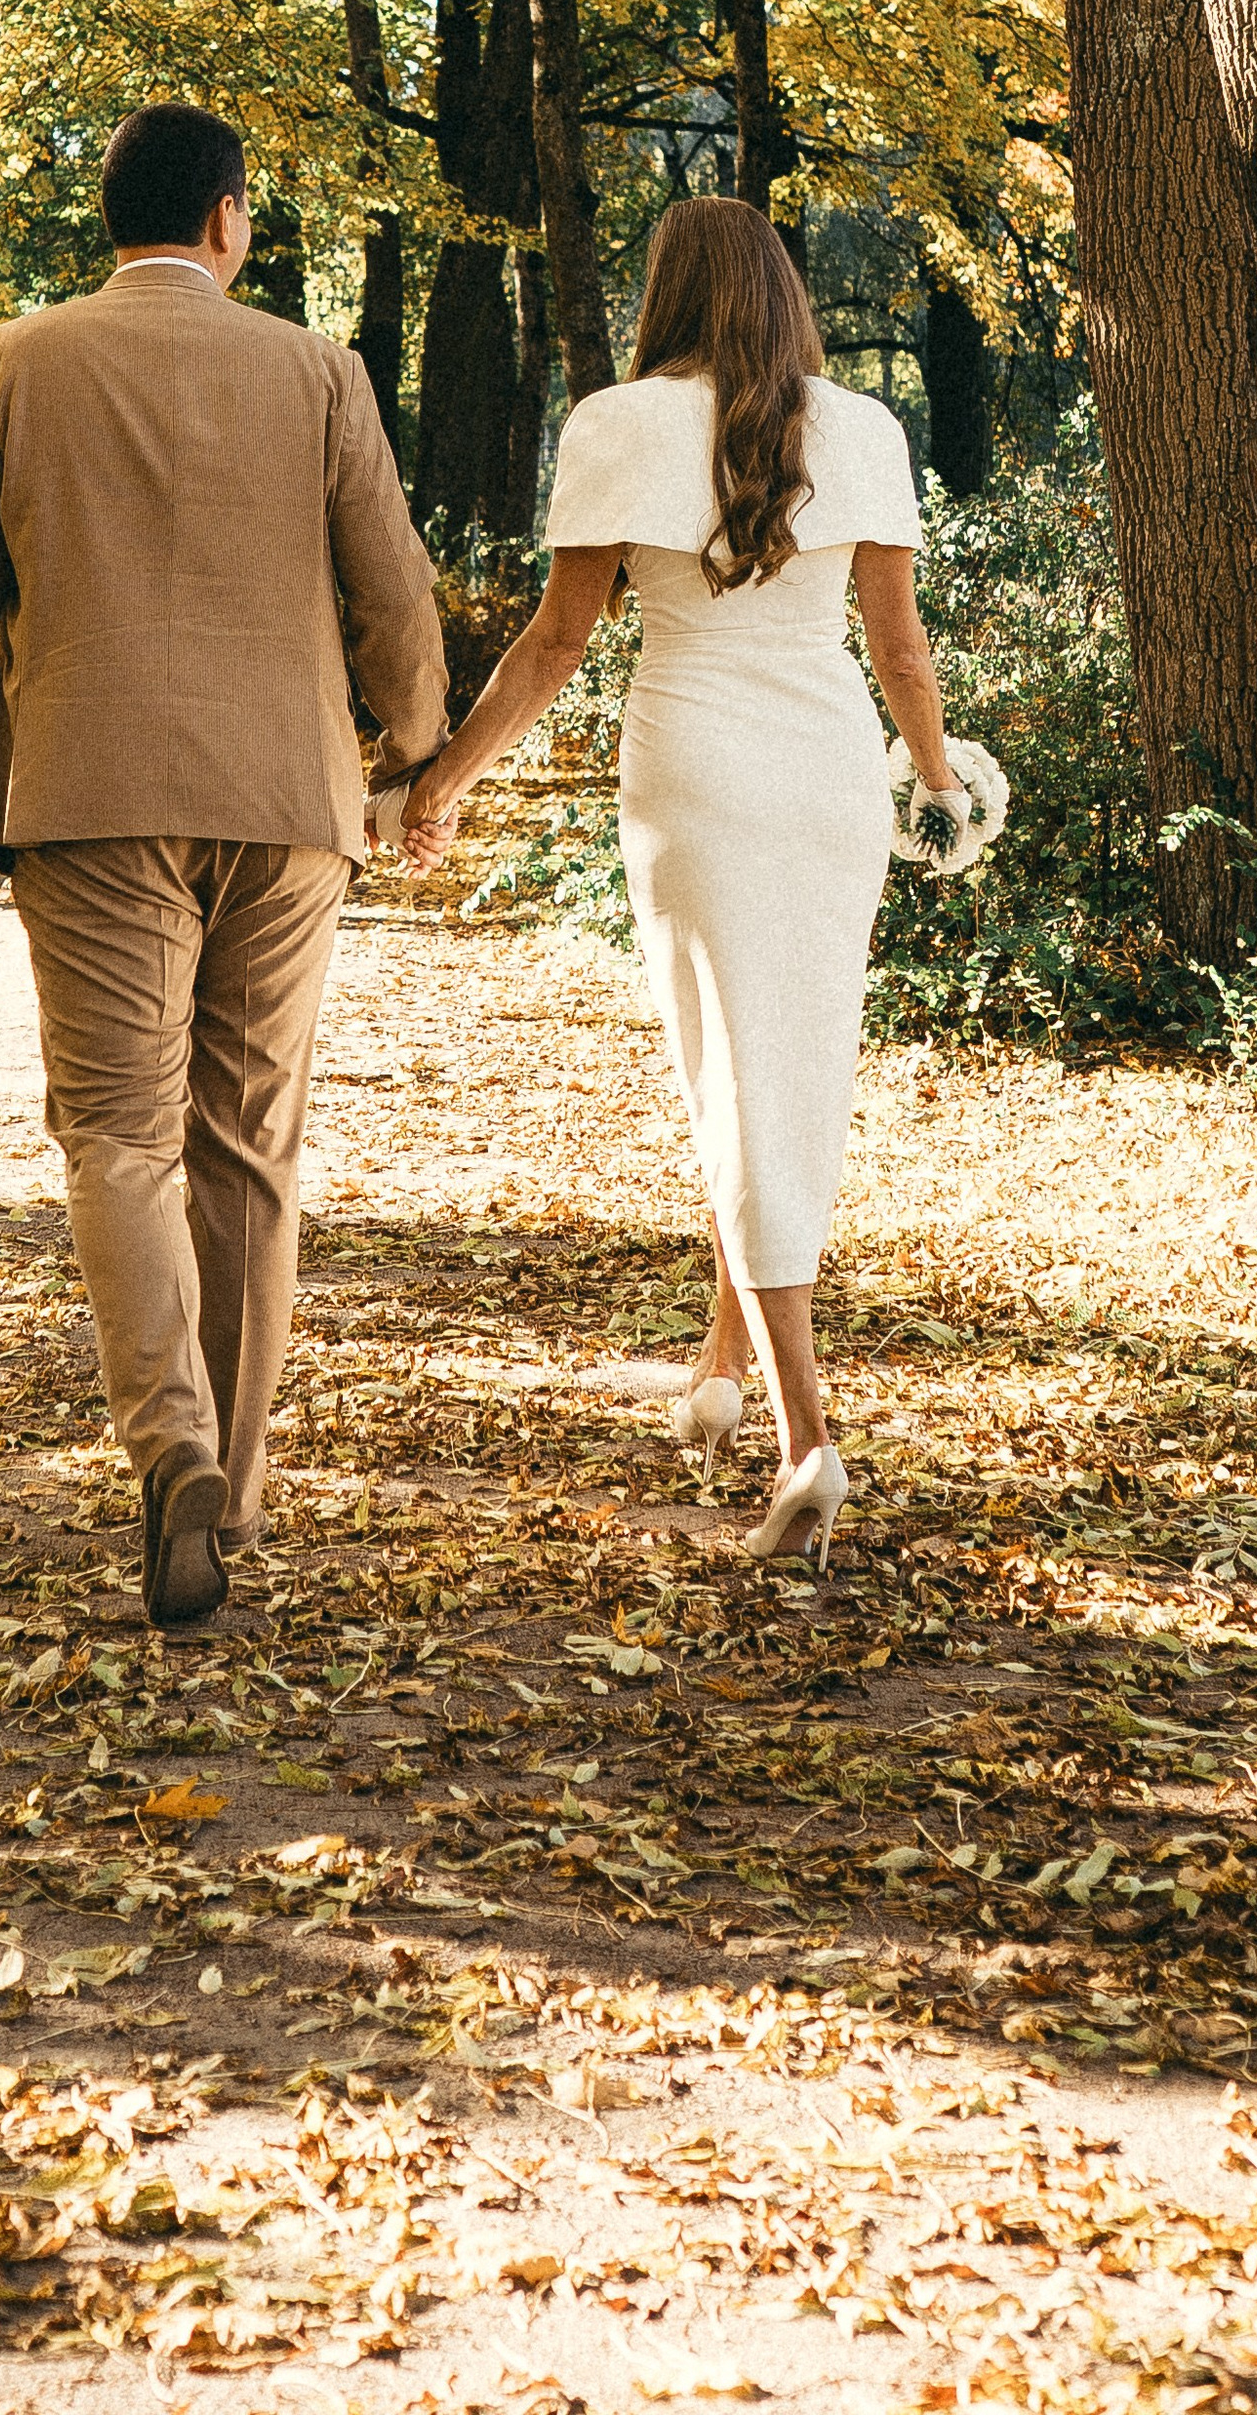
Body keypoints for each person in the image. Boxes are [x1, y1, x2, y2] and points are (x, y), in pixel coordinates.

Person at [0, 105, 446, 1630]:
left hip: (92, 795)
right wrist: (415, 757)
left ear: (115, 217)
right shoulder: (319, 373)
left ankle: (171, 1444)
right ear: (227, 222)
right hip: (290, 800)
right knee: (249, 1143)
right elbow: (394, 592)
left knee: (118, 1139)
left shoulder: (17, 361)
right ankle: (237, 1493)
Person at [402, 198, 965, 1572]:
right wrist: (939, 788)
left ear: (669, 292)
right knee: (782, 1060)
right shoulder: (866, 430)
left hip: (695, 763)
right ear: (781, 291)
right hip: (831, 767)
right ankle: (721, 1363)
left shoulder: (614, 422)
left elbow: (552, 647)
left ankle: (804, 1433)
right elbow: (896, 648)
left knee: (731, 1066)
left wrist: (443, 782)